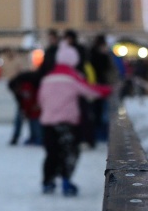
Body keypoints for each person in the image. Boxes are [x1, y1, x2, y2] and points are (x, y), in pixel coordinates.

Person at [37, 41, 112, 196]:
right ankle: (66, 181)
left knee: (51, 153)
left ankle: (47, 182)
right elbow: (90, 91)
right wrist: (108, 90)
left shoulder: (47, 78)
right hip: (67, 122)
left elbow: (40, 99)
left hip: (48, 122)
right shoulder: (72, 77)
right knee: (69, 152)